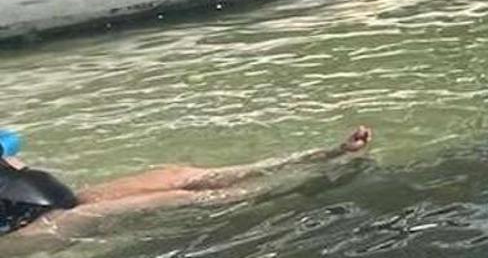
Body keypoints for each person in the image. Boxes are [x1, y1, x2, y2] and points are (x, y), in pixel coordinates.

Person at [0, 126, 371, 238]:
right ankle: (304, 186)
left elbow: (14, 157)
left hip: (61, 201)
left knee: (179, 175)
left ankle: (325, 154)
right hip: (26, 233)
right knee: (177, 198)